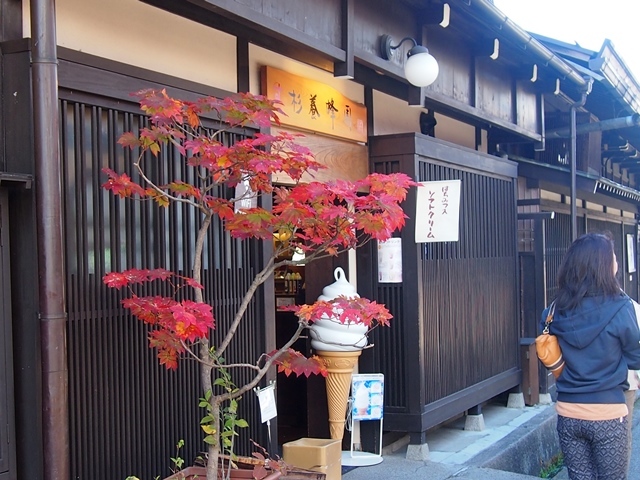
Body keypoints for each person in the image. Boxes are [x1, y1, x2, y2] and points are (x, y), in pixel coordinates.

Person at [542, 233, 640, 480]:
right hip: (607, 413)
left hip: (568, 412)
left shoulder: (554, 310)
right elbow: (635, 357)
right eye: (613, 256)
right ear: (604, 264)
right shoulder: (620, 307)